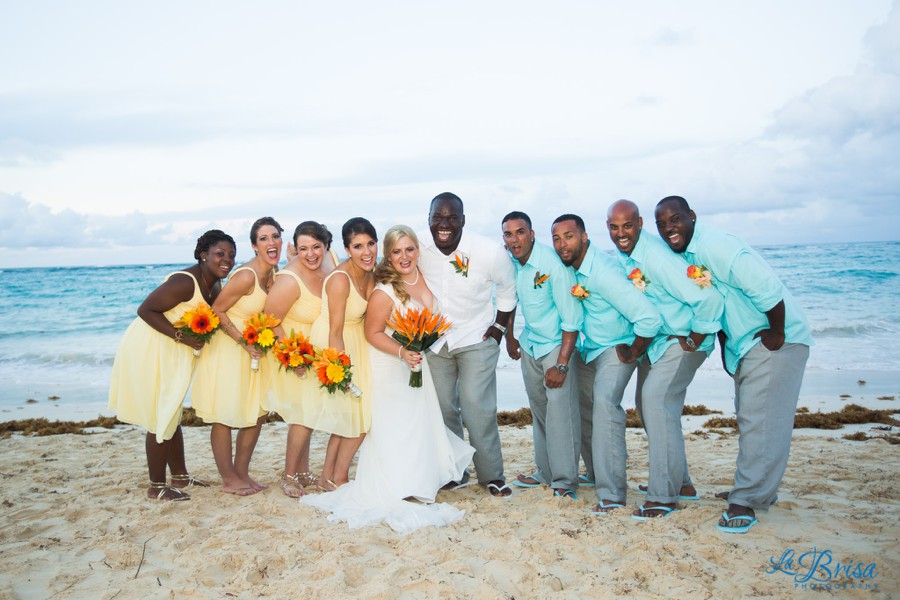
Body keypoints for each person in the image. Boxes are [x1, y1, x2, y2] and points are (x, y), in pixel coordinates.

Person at [654, 196, 813, 533]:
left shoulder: (714, 245)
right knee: (751, 418)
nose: (669, 228)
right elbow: (721, 303)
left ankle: (746, 501)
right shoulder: (689, 254)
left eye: (675, 219)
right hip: (747, 344)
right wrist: (730, 350)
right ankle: (757, 489)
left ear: (691, 216)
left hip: (775, 340)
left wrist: (777, 333)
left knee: (762, 423)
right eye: (662, 223)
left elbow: (765, 287)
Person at [302, 226, 475, 534]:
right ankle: (393, 484)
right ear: (389, 255)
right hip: (389, 365)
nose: (404, 256)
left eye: (409, 249)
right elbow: (372, 333)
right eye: (396, 251)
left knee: (416, 423)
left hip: (415, 364)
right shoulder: (385, 291)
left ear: (418, 250)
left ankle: (416, 482)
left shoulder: (428, 278)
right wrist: (402, 351)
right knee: (393, 426)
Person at [605, 200, 724, 520]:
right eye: (614, 227)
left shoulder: (655, 257)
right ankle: (682, 483)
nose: (621, 233)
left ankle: (662, 497)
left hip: (683, 340)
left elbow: (710, 298)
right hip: (659, 341)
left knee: (655, 400)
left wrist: (694, 338)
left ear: (639, 224)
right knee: (650, 407)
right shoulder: (628, 254)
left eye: (627, 226)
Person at [109, 229, 237, 501]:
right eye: (220, 254)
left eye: (231, 255)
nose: (227, 259)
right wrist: (182, 337)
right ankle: (156, 486)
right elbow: (145, 310)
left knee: (172, 410)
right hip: (152, 348)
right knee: (162, 413)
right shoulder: (185, 282)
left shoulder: (215, 285)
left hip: (176, 350)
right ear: (203, 255)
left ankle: (180, 476)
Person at [548, 214, 661, 514]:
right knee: (583, 404)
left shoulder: (603, 272)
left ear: (584, 237)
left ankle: (612, 495)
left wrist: (633, 351)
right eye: (556, 238)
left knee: (605, 405)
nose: (562, 244)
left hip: (616, 347)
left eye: (569, 236)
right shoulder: (571, 267)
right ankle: (597, 472)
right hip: (590, 348)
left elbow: (649, 318)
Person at [418, 192, 517, 498]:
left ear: (463, 220)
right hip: (435, 342)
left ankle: (492, 476)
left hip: (477, 337)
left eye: (451, 218)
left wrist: (499, 328)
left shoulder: (489, 252)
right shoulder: (418, 246)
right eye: (438, 217)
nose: (444, 224)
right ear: (429, 219)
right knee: (444, 409)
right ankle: (454, 473)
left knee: (477, 407)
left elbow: (508, 288)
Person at [191, 217, 284, 496]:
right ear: (254, 246)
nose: (271, 242)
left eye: (275, 236)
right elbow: (217, 311)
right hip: (229, 350)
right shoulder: (246, 276)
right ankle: (228, 478)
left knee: (257, 413)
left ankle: (242, 472)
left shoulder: (275, 272)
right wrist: (243, 342)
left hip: (254, 352)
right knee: (224, 414)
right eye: (264, 238)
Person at [502, 211, 583, 499]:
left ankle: (565, 481)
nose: (514, 239)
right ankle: (546, 472)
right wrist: (510, 337)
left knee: (561, 414)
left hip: (556, 345)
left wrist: (561, 364)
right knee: (540, 413)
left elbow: (572, 317)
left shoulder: (552, 264)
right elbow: (509, 299)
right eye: (508, 234)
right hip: (530, 344)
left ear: (532, 234)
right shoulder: (512, 263)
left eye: (520, 232)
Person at [263, 221, 338, 497]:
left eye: (316, 247)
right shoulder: (289, 279)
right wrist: (294, 357)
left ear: (326, 245)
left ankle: (303, 472)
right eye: (303, 248)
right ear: (295, 249)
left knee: (311, 413)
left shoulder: (331, 262)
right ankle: (289, 475)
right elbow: (270, 320)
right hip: (297, 356)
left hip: (320, 354)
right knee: (303, 416)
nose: (310, 254)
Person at [307, 217, 377, 489]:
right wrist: (341, 371)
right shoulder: (340, 280)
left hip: (356, 338)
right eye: (358, 246)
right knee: (354, 414)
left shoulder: (370, 272)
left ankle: (329, 477)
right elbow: (334, 331)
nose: (366, 252)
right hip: (336, 343)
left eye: (370, 244)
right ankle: (338, 477)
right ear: (347, 250)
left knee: (354, 415)